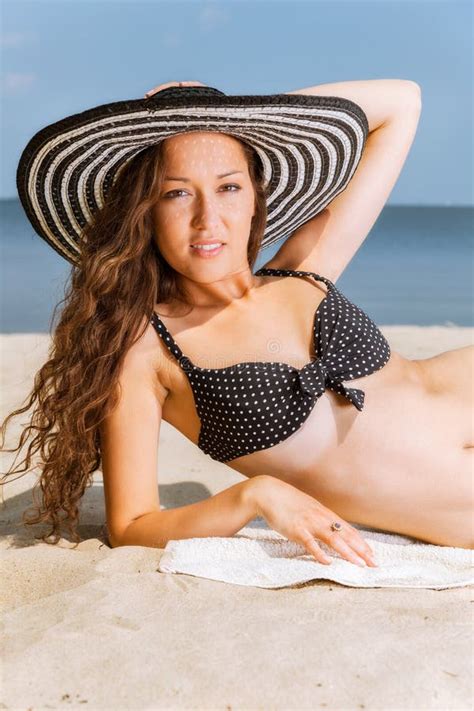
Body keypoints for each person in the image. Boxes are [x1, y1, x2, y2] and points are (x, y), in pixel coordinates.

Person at [2, 81, 472, 568]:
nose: (209, 219)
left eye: (228, 187)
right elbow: (131, 526)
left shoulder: (304, 268)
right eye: (177, 193)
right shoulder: (147, 351)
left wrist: (228, 112)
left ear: (254, 199)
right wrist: (255, 495)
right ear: (144, 212)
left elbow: (403, 101)